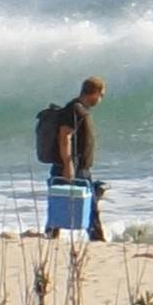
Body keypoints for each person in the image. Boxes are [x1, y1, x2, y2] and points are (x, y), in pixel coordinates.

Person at [34, 76, 106, 240]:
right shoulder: (75, 109)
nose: (101, 99)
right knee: (83, 204)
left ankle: (53, 233)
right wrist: (68, 164)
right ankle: (95, 237)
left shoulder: (79, 109)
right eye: (101, 95)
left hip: (78, 165)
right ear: (94, 93)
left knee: (70, 201)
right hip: (72, 165)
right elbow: (64, 136)